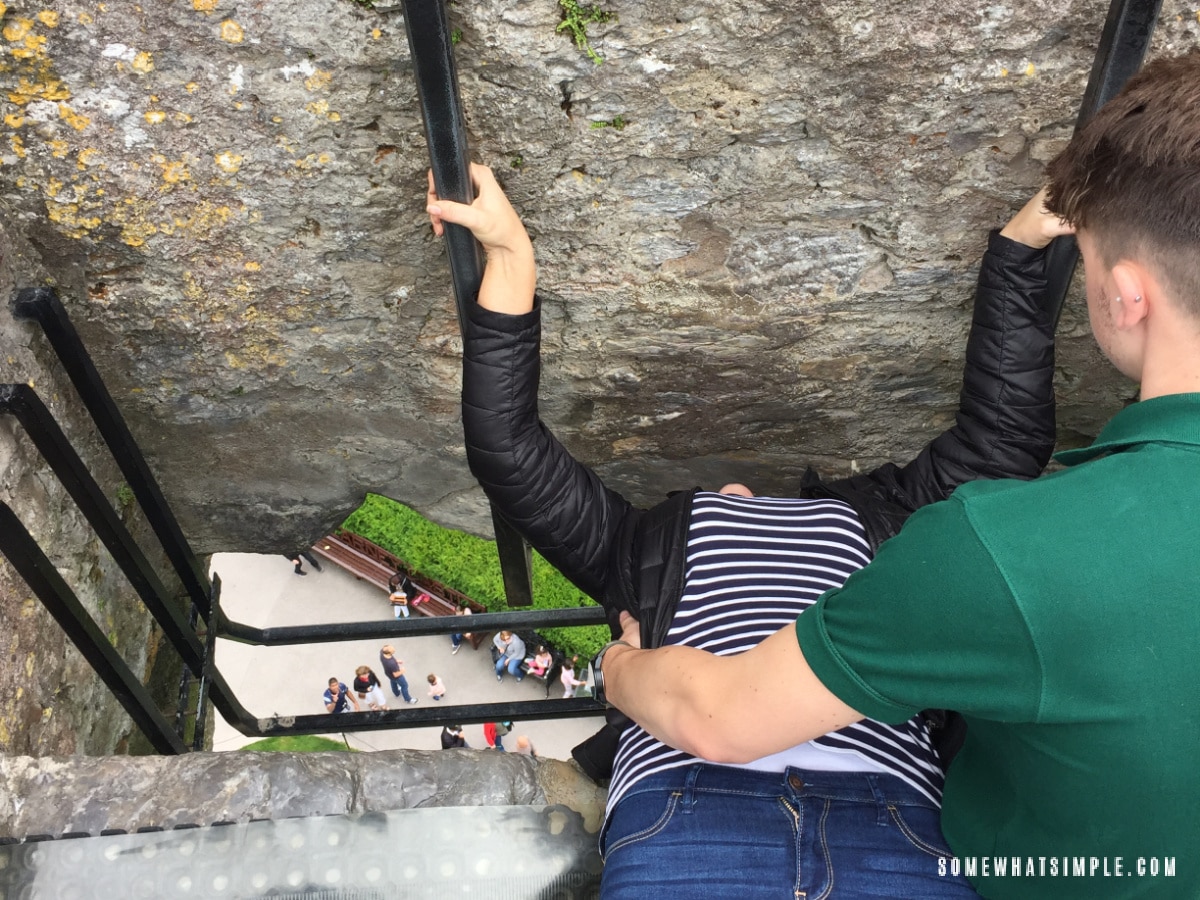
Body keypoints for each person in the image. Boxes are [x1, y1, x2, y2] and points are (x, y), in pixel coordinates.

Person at [595, 52, 1200, 898]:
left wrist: (618, 669)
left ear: (1125, 295)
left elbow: (716, 718)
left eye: (1091, 260)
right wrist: (1020, 259)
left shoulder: (1006, 549)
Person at [428, 145, 1060, 891]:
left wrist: (1025, 243)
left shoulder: (879, 523)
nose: (738, 486)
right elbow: (508, 453)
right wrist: (510, 253)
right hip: (699, 809)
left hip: (874, 810)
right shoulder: (645, 549)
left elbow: (509, 448)